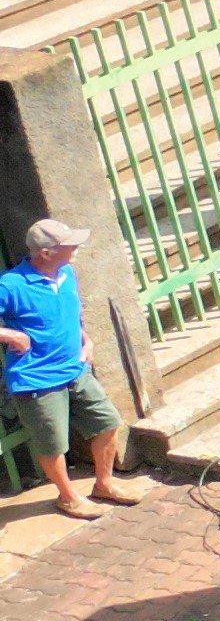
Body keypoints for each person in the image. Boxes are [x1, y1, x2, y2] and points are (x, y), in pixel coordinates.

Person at [0, 222, 139, 521]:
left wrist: (85, 338)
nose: (77, 247)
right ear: (46, 252)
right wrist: (10, 335)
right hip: (37, 379)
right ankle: (68, 497)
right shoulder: (11, 285)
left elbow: (68, 314)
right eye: (70, 244)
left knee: (107, 422)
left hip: (75, 369)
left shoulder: (67, 274)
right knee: (52, 445)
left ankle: (104, 484)